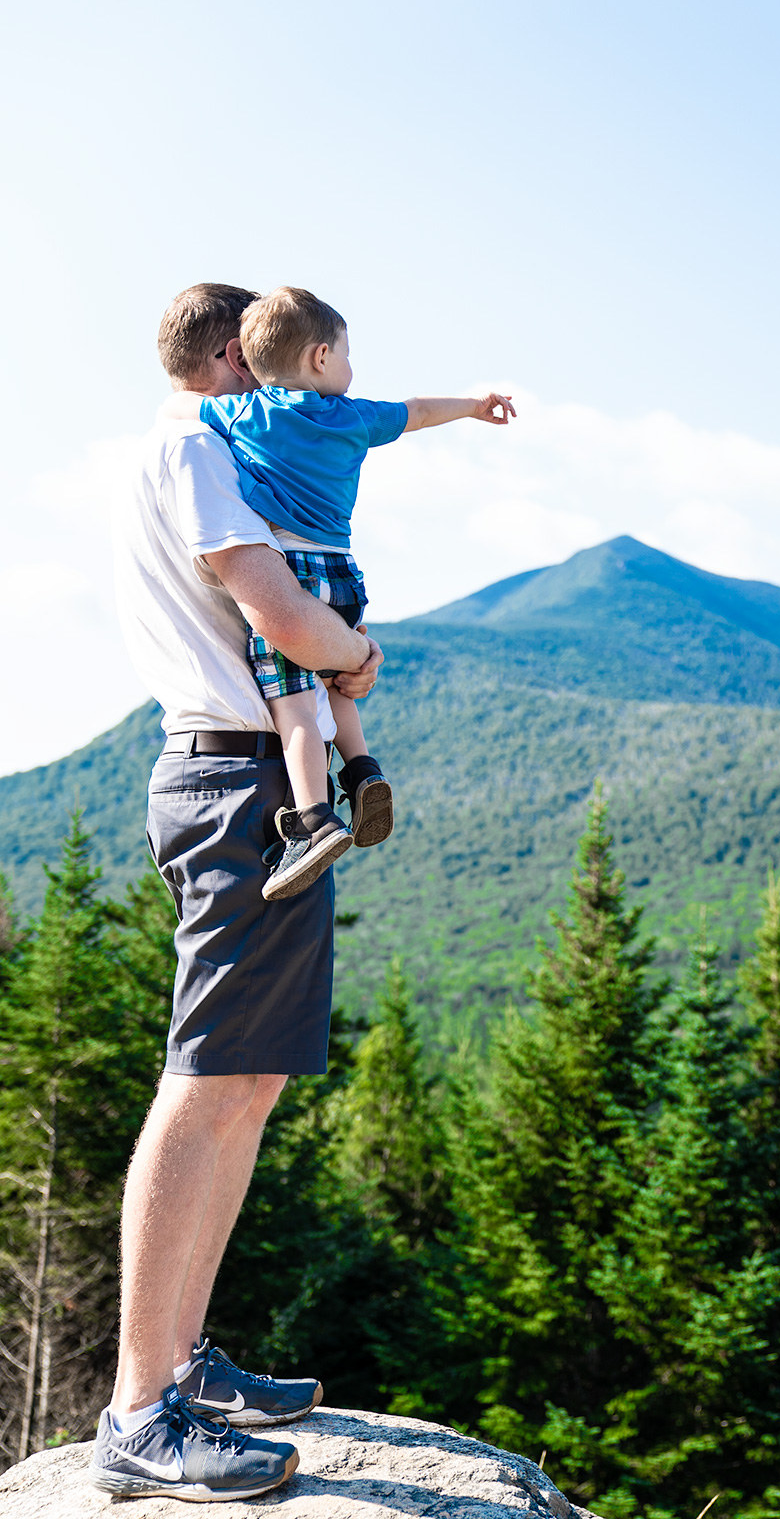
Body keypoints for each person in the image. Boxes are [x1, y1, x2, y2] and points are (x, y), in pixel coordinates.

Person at [92, 284, 384, 1501]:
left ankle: (184, 1365)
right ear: (226, 357)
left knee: (245, 1085)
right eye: (257, 366)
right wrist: (357, 656)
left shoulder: (181, 448)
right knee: (208, 1081)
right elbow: (275, 609)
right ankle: (139, 1412)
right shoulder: (196, 449)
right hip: (233, 779)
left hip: (243, 772)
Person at [163, 285, 516, 900]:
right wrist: (473, 404)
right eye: (350, 356)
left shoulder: (246, 416)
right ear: (321, 357)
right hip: (344, 574)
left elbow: (180, 408)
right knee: (338, 679)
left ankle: (313, 821)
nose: (354, 371)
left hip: (290, 568)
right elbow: (416, 410)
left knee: (295, 705)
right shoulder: (354, 417)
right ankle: (361, 768)